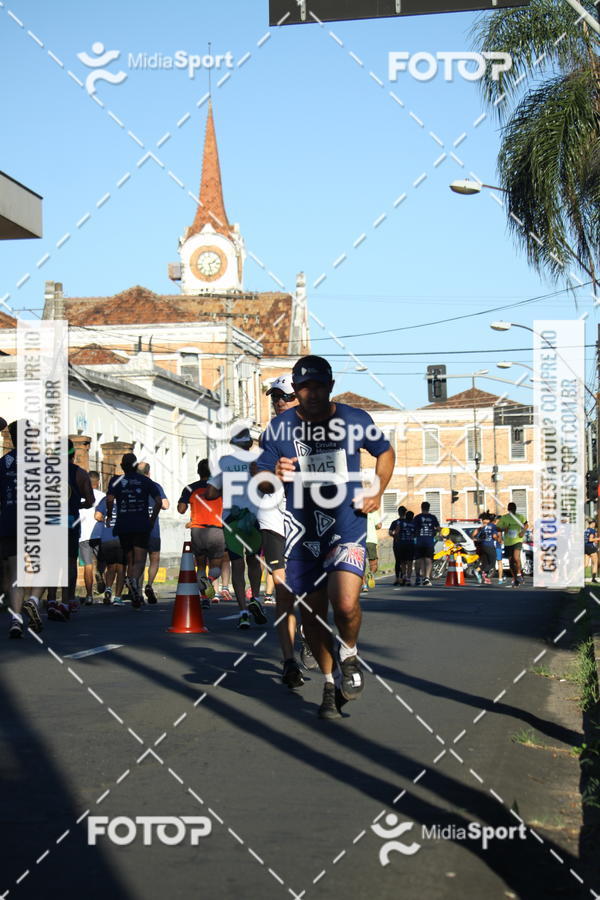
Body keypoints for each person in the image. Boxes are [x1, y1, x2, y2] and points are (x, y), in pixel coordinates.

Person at [256, 355, 395, 720]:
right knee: (312, 618)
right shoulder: (279, 428)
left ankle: (349, 653)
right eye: (305, 388)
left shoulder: (354, 419)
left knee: (345, 603)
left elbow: (384, 451)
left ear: (330, 386)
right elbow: (260, 475)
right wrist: (272, 472)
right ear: (296, 390)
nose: (312, 393)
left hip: (345, 525)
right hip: (303, 533)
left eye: (319, 386)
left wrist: (377, 489)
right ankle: (331, 684)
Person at [259, 374, 308, 687]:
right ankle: (289, 661)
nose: (279, 402)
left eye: (285, 396)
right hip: (274, 515)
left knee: (311, 590)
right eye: (275, 397)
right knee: (283, 589)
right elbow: (261, 475)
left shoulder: (320, 429)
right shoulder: (270, 433)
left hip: (307, 517)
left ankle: (308, 631)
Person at [205, 430, 267, 629]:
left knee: (237, 566)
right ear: (249, 444)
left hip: (231, 520)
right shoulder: (259, 460)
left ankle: (243, 612)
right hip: (255, 518)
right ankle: (255, 597)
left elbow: (210, 493)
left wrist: (225, 488)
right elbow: (268, 487)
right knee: (254, 562)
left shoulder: (224, 462)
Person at [0, 420, 45, 636]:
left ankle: (16, 620)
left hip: (10, 521)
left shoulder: (3, 462)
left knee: (15, 573)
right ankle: (34, 600)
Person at [105, 453, 162, 607]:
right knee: (140, 559)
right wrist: (152, 519)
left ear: (122, 466)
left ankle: (133, 589)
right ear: (136, 466)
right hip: (141, 524)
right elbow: (158, 502)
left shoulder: (115, 480)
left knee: (129, 558)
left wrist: (109, 515)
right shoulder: (146, 481)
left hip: (123, 524)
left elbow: (109, 499)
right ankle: (134, 581)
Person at [177, 458, 225, 608]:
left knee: (201, 566)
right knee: (216, 566)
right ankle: (210, 580)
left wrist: (186, 502)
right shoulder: (221, 488)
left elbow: (181, 509)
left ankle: (204, 598)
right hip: (217, 530)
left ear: (198, 472)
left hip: (197, 531)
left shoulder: (190, 488)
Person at [136, 462, 169, 603]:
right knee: (154, 558)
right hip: (153, 528)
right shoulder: (155, 486)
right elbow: (165, 505)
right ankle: (149, 584)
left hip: (137, 528)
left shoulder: (133, 486)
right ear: (148, 473)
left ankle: (138, 590)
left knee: (139, 560)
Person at [78, 470, 105, 605]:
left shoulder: (80, 496)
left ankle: (89, 595)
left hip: (83, 536)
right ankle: (100, 573)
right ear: (98, 482)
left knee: (87, 566)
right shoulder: (103, 496)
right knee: (103, 560)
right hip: (99, 533)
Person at [94, 495, 126, 604]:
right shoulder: (126, 497)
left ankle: (108, 589)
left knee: (110, 566)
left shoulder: (105, 500)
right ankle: (117, 597)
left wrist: (105, 520)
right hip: (122, 538)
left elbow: (97, 516)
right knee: (121, 568)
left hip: (107, 538)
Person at [496, 501, 528, 588]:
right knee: (511, 561)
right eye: (510, 509)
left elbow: (526, 525)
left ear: (515, 509)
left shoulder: (520, 517)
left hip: (518, 540)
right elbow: (497, 528)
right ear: (508, 509)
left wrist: (523, 532)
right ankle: (515, 579)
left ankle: (519, 574)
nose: (512, 510)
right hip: (508, 542)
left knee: (516, 557)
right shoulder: (504, 518)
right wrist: (503, 529)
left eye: (513, 508)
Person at [413, 501, 440, 586]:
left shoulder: (417, 517)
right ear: (429, 508)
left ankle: (418, 577)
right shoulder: (433, 517)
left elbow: (413, 528)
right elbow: (438, 528)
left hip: (419, 541)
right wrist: (435, 531)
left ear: (421, 508)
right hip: (429, 542)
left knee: (418, 559)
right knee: (428, 559)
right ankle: (427, 578)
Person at [471, 512, 500, 584]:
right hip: (490, 546)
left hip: (483, 546)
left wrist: (474, 538)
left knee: (485, 563)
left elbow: (474, 534)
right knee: (492, 564)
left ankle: (479, 573)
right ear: (494, 520)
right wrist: (498, 539)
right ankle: (479, 572)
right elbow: (494, 536)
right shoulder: (493, 526)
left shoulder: (484, 527)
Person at [393, 509, 416, 586]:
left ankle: (404, 576)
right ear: (412, 517)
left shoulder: (401, 523)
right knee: (410, 563)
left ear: (406, 516)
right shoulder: (414, 524)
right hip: (411, 544)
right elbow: (416, 534)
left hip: (402, 544)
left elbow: (396, 533)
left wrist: (398, 539)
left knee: (402, 562)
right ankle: (408, 579)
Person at [362, 511, 382, 592]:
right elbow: (379, 525)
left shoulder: (356, 511)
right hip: (371, 541)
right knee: (374, 564)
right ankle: (371, 573)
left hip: (360, 541)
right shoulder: (373, 512)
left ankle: (364, 586)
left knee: (361, 566)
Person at [389, 505, 407, 585]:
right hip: (406, 544)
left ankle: (397, 578)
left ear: (398, 513)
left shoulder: (395, 522)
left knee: (398, 561)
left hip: (397, 543)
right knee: (404, 561)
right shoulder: (408, 522)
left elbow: (390, 532)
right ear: (405, 513)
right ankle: (403, 577)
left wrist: (394, 535)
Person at [584, 518, 598, 583]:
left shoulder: (586, 530)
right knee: (595, 563)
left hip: (585, 547)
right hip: (591, 547)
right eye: (595, 523)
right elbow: (590, 539)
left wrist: (595, 539)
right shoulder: (592, 530)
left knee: (585, 564)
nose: (595, 525)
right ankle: (593, 579)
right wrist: (598, 539)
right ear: (593, 523)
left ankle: (574, 575)